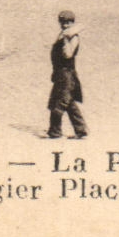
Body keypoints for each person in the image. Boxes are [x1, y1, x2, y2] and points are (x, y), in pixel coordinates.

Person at [46, 10, 87, 140]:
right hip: (60, 73)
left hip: (66, 75)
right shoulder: (65, 34)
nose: (65, 25)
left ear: (72, 23)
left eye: (68, 23)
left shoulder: (72, 37)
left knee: (59, 104)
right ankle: (81, 130)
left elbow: (67, 54)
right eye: (63, 22)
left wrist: (65, 40)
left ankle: (55, 132)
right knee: (69, 103)